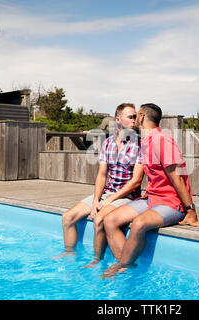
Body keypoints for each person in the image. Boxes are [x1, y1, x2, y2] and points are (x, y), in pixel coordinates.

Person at [102, 103, 199, 278]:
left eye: (136, 116)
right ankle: (127, 264)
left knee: (138, 224)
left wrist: (191, 210)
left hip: (171, 203)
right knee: (110, 220)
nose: (134, 119)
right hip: (151, 198)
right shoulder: (145, 141)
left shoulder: (162, 140)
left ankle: (122, 265)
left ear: (142, 117)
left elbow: (177, 177)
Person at [52, 103, 144, 268]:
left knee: (99, 219)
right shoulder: (107, 143)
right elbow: (102, 174)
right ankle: (69, 253)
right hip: (107, 193)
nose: (135, 120)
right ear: (118, 119)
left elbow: (136, 181)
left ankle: (97, 259)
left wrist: (110, 200)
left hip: (127, 196)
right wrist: (96, 200)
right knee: (67, 217)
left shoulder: (139, 144)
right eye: (131, 117)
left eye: (135, 116)